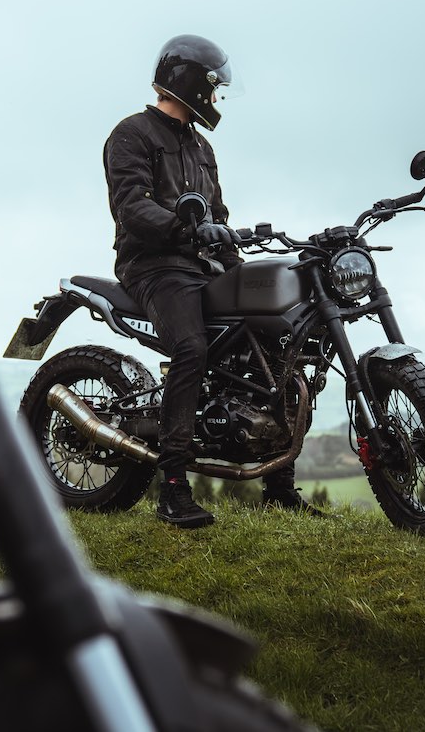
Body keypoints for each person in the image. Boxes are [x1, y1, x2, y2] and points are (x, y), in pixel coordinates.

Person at [102, 34, 316, 528]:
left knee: (281, 341)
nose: (217, 98)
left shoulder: (201, 147)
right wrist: (187, 226)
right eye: (213, 88)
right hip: (152, 267)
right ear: (192, 84)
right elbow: (132, 206)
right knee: (192, 348)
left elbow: (216, 211)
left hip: (203, 266)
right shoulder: (132, 134)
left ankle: (279, 484)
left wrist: (233, 248)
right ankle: (172, 487)